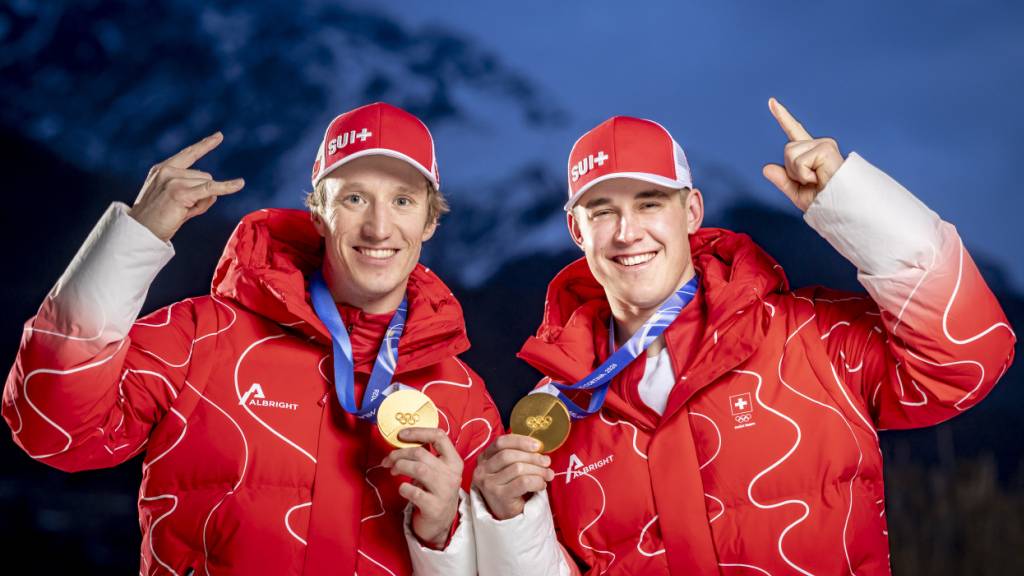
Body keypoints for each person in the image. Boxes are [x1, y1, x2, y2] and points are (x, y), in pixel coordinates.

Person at [470, 99, 1016, 575]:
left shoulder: (810, 337)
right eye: (602, 211)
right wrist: (506, 520)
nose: (626, 231)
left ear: (692, 212)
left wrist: (856, 206)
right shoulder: (553, 410)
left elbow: (967, 356)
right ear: (576, 231)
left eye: (649, 204)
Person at [3, 102, 501, 575]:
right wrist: (135, 236)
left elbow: (506, 561)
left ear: (430, 221)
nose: (377, 227)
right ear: (317, 213)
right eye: (353, 198)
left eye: (402, 201)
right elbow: (52, 428)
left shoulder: (462, 398)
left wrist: (443, 533)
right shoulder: (203, 337)